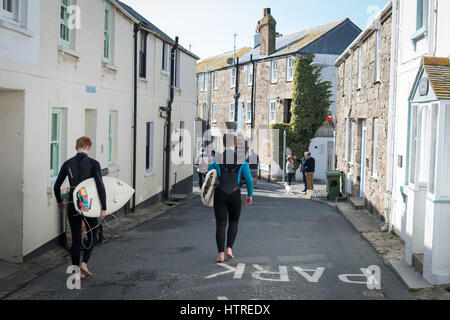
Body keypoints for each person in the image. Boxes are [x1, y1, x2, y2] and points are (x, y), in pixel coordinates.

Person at [54, 136, 106, 279]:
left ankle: (76, 273)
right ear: (88, 147)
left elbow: (56, 186)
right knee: (93, 234)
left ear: (76, 147)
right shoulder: (94, 163)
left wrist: (60, 201)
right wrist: (104, 207)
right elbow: (100, 186)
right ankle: (84, 263)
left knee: (76, 240)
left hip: (73, 203)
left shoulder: (67, 164)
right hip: (88, 203)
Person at [207, 133, 254, 263]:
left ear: (223, 144)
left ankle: (220, 254)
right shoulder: (242, 160)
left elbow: (208, 177)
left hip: (220, 194)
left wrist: (205, 196)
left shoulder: (216, 159)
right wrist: (249, 195)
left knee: (221, 224)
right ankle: (229, 249)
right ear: (235, 144)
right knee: (234, 222)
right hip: (235, 194)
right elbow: (249, 179)